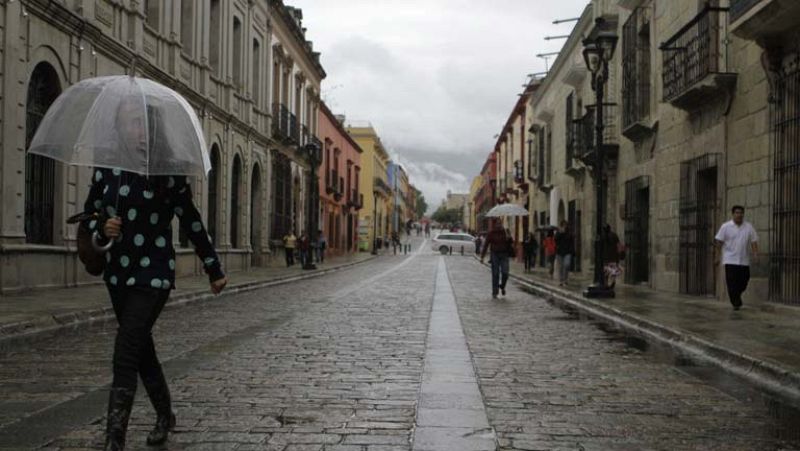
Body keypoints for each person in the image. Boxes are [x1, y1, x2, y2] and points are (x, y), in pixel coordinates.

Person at [83, 169, 227, 450]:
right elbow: (89, 214)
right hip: (117, 276)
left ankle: (114, 441)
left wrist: (214, 268)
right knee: (141, 350)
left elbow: (191, 221)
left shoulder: (169, 175)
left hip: (153, 275)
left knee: (126, 351)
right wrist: (102, 226)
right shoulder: (108, 171)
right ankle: (164, 414)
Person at [715, 205, 758, 310]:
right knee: (732, 282)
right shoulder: (725, 227)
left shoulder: (748, 227)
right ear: (733, 214)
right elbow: (719, 242)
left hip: (743, 260)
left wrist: (755, 254)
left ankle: (736, 296)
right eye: (737, 213)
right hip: (730, 259)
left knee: (744, 281)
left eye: (741, 213)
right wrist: (717, 256)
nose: (739, 215)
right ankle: (736, 302)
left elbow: (753, 241)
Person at [480, 219, 514, 299]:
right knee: (495, 273)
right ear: (495, 225)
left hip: (504, 254)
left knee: (505, 272)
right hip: (494, 254)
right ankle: (495, 292)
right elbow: (486, 245)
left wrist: (509, 238)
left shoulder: (506, 232)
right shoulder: (491, 233)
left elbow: (511, 242)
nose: (499, 225)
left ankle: (502, 286)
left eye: (500, 223)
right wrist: (482, 257)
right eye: (497, 223)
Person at [555, 220, 575, 286]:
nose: (564, 226)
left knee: (567, 265)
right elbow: (555, 240)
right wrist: (560, 233)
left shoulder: (569, 233)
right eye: (563, 225)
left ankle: (565, 279)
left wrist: (573, 251)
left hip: (567, 252)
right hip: (559, 252)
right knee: (560, 267)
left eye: (565, 225)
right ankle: (561, 280)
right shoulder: (558, 232)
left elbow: (572, 242)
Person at [603, 224, 622, 288]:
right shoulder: (614, 235)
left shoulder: (603, 236)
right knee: (613, 271)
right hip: (613, 257)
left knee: (606, 271)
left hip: (605, 257)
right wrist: (619, 255)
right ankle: (613, 281)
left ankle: (606, 283)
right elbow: (618, 245)